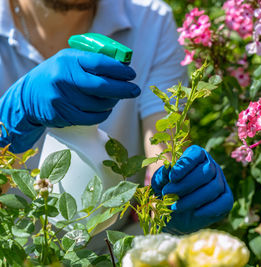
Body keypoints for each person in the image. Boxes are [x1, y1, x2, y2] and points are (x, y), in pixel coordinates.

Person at [0, 0, 233, 238]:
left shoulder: (149, 20)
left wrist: (177, 197)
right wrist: (12, 118)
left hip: (111, 251)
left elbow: (164, 152)